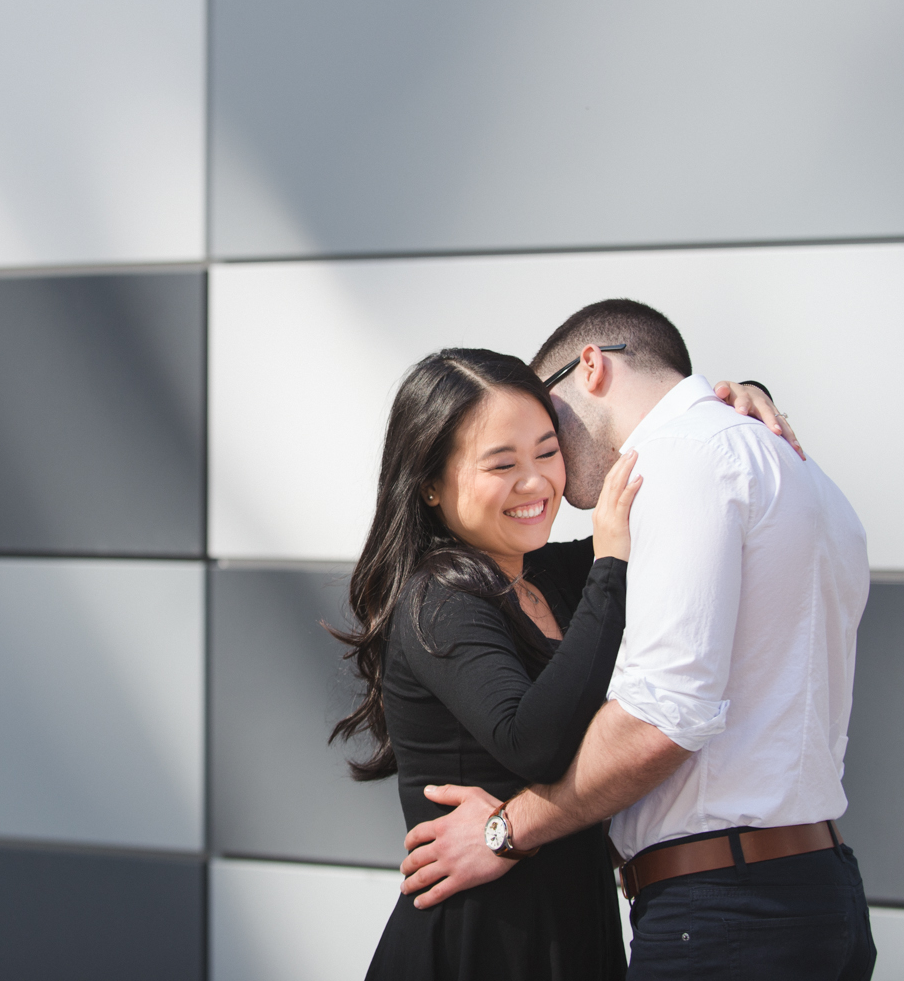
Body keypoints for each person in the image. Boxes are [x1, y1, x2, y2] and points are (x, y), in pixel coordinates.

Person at [397, 301, 875, 981]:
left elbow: (662, 719)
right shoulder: (788, 463)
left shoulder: (684, 462)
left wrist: (504, 830)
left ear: (590, 368)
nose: (547, 464)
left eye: (546, 426)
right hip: (817, 891)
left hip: (728, 909)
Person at [334, 346, 792, 980]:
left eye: (547, 452)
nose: (536, 483)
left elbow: (675, 485)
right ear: (431, 486)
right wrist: (609, 568)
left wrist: (735, 400)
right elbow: (535, 745)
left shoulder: (549, 574)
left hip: (575, 934)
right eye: (502, 464)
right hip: (480, 944)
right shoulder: (436, 596)